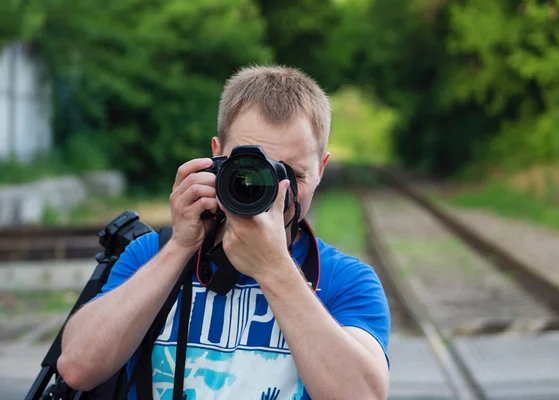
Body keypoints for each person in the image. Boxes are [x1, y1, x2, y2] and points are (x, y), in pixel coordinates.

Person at [57, 65, 391, 399]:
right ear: (217, 155)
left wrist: (275, 268)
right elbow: (77, 367)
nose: (273, 191)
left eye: (293, 176)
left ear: (321, 169)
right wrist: (180, 247)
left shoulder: (345, 281)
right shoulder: (151, 254)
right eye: (250, 170)